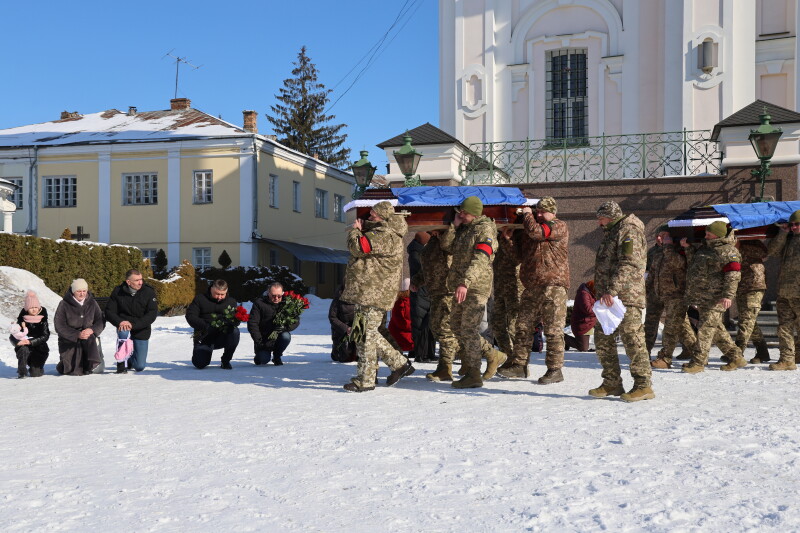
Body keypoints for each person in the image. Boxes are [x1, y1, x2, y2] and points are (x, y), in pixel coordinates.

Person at [341, 201, 414, 392]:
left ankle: (397, 364)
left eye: (372, 215)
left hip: (373, 293)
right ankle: (366, 374)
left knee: (366, 333)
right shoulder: (383, 233)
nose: (369, 218)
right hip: (368, 292)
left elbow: (358, 247)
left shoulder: (384, 235)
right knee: (361, 333)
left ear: (382, 217)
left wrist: (355, 231)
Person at [499, 196, 569, 384]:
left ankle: (555, 370)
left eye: (542, 211)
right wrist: (507, 240)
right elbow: (519, 257)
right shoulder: (529, 231)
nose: (538, 214)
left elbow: (538, 233)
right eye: (536, 211)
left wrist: (527, 215)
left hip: (553, 286)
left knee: (553, 330)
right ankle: (519, 366)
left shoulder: (558, 225)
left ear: (553, 212)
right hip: (531, 287)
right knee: (522, 327)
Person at [589, 201, 654, 402]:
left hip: (626, 296)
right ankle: (612, 382)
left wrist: (612, 289)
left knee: (632, 339)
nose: (599, 222)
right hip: (610, 298)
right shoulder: (612, 231)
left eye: (601, 218)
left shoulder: (629, 231)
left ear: (611, 215)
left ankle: (643, 385)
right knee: (602, 339)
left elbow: (629, 263)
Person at [442, 196, 506, 389]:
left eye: (464, 212)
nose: (460, 214)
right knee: (456, 326)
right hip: (461, 286)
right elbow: (447, 246)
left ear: (475, 213)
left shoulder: (485, 230)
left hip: (475, 287)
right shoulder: (465, 229)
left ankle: (473, 374)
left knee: (468, 329)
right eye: (459, 212)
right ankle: (491, 353)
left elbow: (480, 259)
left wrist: (465, 282)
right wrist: (454, 225)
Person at [681, 220, 745, 372]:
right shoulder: (705, 249)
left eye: (709, 233)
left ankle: (698, 363)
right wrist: (688, 249)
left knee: (705, 329)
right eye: (706, 233)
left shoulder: (729, 251)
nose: (706, 235)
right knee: (716, 329)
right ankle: (736, 358)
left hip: (716, 298)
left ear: (718, 234)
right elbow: (695, 268)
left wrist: (728, 296)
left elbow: (733, 275)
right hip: (702, 297)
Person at [411, 228, 459, 382]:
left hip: (449, 291)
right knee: (436, 327)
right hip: (435, 291)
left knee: (445, 330)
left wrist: (448, 229)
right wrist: (417, 281)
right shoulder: (432, 240)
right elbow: (429, 266)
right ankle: (484, 354)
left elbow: (449, 247)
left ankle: (445, 369)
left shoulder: (450, 235)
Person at [648, 226, 697, 369]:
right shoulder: (658, 252)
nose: (659, 238)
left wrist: (669, 246)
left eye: (663, 235)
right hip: (663, 294)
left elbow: (679, 263)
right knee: (682, 326)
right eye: (658, 236)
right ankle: (697, 353)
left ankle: (665, 358)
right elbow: (652, 273)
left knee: (670, 327)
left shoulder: (678, 249)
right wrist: (647, 289)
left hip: (677, 295)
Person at [105, 269, 159, 373]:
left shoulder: (148, 292)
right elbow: (109, 311)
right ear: (128, 282)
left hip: (141, 328)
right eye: (137, 280)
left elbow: (152, 314)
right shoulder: (118, 291)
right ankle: (121, 361)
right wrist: (120, 322)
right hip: (124, 326)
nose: (141, 282)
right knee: (123, 333)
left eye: (141, 279)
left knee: (139, 366)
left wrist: (133, 325)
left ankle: (129, 357)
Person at [765, 209, 800, 370]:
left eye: (797, 224)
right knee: (784, 327)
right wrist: (783, 233)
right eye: (791, 224)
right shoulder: (788, 239)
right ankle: (787, 359)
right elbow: (771, 251)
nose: (793, 227)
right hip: (784, 292)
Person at [54, 278, 106, 376]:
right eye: (79, 291)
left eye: (84, 291)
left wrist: (92, 330)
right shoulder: (64, 304)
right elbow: (59, 325)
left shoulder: (92, 303)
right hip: (70, 339)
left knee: (94, 369)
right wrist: (77, 334)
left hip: (89, 336)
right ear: (73, 292)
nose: (82, 294)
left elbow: (100, 320)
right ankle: (65, 363)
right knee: (72, 371)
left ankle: (93, 362)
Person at [186, 279, 241, 369]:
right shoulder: (200, 299)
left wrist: (236, 321)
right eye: (217, 294)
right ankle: (201, 354)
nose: (219, 297)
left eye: (222, 294)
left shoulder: (231, 302)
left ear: (226, 292)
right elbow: (190, 316)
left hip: (222, 336)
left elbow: (235, 320)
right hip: (204, 336)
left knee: (235, 332)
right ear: (211, 289)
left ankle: (226, 360)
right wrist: (206, 326)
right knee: (200, 364)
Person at [735, 239, 771, 364]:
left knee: (746, 321)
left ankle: (736, 353)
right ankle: (762, 352)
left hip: (754, 286)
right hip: (740, 286)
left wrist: (740, 245)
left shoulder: (753, 242)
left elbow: (764, 253)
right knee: (749, 322)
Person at [248, 282, 299, 366]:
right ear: (268, 293)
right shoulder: (259, 303)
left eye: (279, 296)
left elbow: (296, 321)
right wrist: (259, 342)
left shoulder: (287, 303)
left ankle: (277, 356)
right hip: (263, 339)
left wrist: (284, 328)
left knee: (286, 336)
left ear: (283, 293)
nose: (276, 298)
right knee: (263, 360)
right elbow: (252, 324)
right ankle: (259, 356)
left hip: (278, 337)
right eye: (273, 295)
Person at [490, 228, 523, 358]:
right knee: (497, 324)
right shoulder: (496, 237)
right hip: (499, 286)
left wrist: (507, 239)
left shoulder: (519, 235)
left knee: (513, 326)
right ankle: (509, 357)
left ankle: (520, 362)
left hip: (515, 287)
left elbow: (517, 258)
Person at [407, 232, 435, 362]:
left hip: (424, 292)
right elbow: (423, 271)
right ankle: (420, 353)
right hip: (420, 292)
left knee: (426, 324)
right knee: (420, 324)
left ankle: (427, 352)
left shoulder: (418, 252)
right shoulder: (416, 254)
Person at [10, 290, 50, 378]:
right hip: (25, 347)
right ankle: (22, 370)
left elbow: (45, 336)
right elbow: (12, 335)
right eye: (31, 307)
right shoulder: (22, 320)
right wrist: (17, 342)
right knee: (23, 350)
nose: (34, 309)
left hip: (39, 348)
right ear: (27, 309)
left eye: (36, 307)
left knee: (35, 374)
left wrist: (30, 341)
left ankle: (37, 367)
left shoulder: (43, 320)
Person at [564, 281, 596, 352]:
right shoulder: (583, 294)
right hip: (581, 323)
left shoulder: (592, 293)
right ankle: (564, 339)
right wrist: (599, 308)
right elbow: (588, 310)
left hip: (591, 321)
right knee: (583, 348)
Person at [329, 284, 356, 363]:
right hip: (342, 331)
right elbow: (332, 317)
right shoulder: (338, 300)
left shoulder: (361, 299)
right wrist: (346, 328)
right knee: (345, 357)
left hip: (356, 330)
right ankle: (336, 351)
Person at [387, 283, 414, 352]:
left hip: (396, 340)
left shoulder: (397, 303)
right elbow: (405, 324)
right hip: (408, 341)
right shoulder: (411, 302)